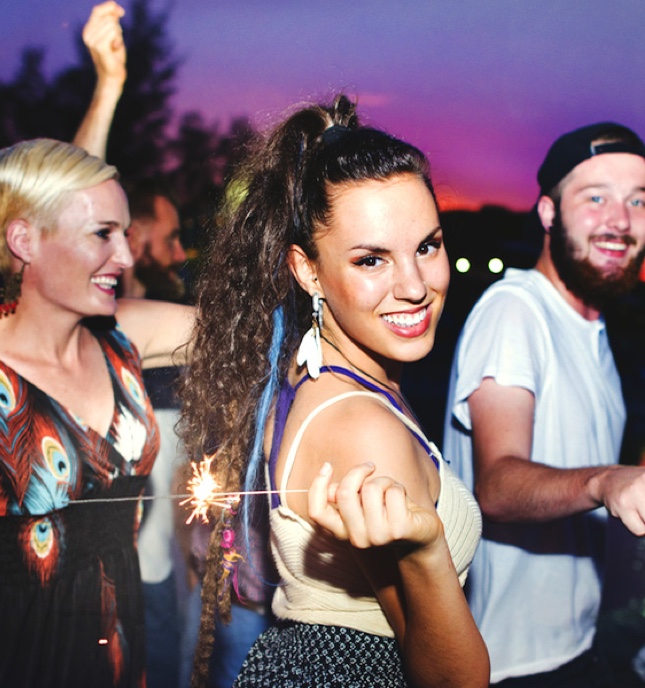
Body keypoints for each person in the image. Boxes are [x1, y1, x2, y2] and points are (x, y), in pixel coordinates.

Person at [182, 95, 489, 688]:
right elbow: (455, 680)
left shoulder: (307, 369)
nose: (414, 286)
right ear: (308, 270)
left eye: (427, 246)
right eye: (372, 260)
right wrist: (426, 551)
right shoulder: (361, 429)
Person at [443, 122, 645, 686]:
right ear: (549, 213)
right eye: (596, 197)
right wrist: (608, 482)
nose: (621, 221)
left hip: (577, 643)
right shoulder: (516, 310)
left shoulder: (594, 324)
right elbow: (498, 484)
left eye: (638, 200)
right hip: (511, 663)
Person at [0, 137, 193, 688]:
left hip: (119, 651)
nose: (127, 257)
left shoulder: (120, 339)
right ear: (24, 239)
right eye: (102, 235)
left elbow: (244, 331)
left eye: (126, 234)